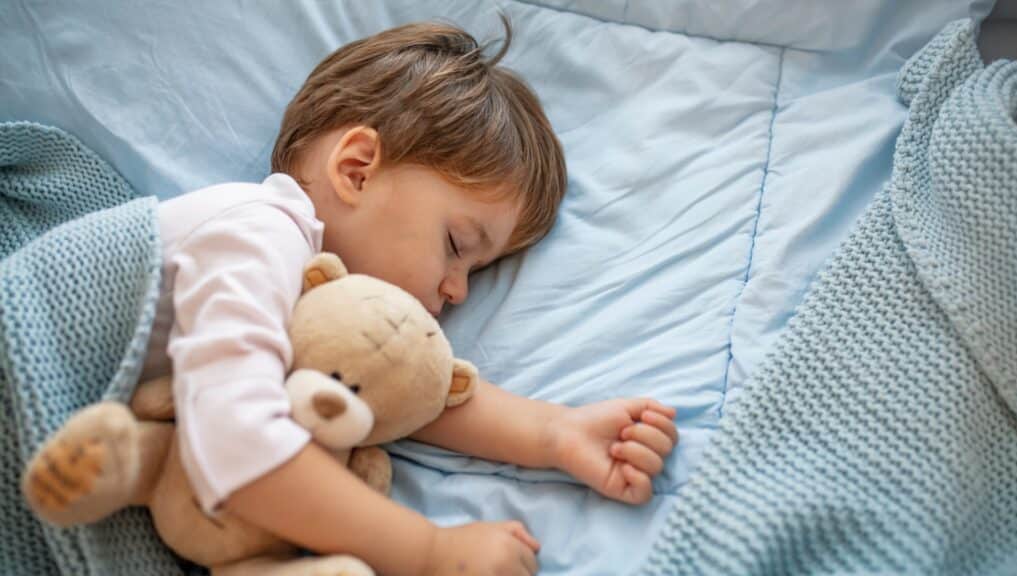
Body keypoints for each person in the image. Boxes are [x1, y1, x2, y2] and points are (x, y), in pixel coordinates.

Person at [147, 18, 677, 576]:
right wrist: (430, 551)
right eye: (456, 244)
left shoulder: (318, 302)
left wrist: (555, 433)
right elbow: (236, 443)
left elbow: (396, 381)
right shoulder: (256, 234)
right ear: (356, 170)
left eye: (478, 269)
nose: (459, 288)